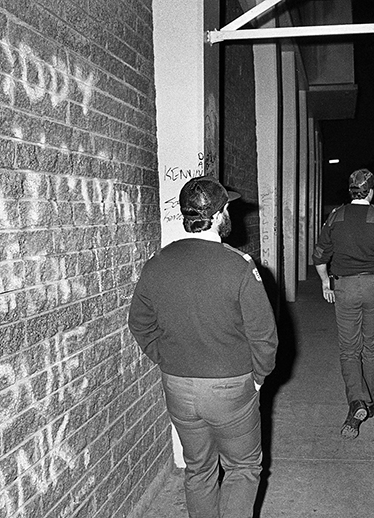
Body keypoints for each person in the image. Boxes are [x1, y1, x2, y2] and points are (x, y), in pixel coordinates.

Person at [128, 176, 279, 518]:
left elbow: (139, 323)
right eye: (228, 208)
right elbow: (264, 336)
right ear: (219, 214)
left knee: (197, 467)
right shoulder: (239, 266)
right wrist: (258, 378)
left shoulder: (158, 264)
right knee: (242, 468)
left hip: (178, 386)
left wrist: (166, 358)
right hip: (230, 385)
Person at [312, 169, 374, 439]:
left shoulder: (335, 216)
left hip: (344, 287)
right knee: (371, 345)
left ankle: (357, 401)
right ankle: (371, 400)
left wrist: (325, 282)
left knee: (349, 348)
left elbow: (319, 256)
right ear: (371, 191)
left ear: (351, 191)